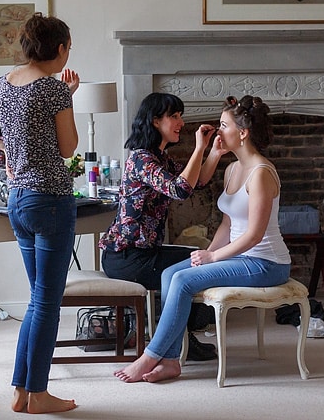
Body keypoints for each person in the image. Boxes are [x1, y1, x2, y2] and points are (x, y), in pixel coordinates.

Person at [0, 12, 80, 414]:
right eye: (67, 50)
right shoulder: (53, 90)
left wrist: (4, 143)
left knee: (37, 299)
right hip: (51, 201)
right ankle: (38, 394)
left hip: (19, 201)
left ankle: (21, 391)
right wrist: (68, 98)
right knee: (47, 300)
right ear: (59, 49)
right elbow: (68, 148)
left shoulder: (3, 85)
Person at [115, 95, 291, 383]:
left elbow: (255, 234)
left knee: (183, 280)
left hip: (266, 262)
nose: (218, 131)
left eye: (224, 125)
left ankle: (151, 355)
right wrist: (205, 256)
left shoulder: (260, 173)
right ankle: (171, 360)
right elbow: (227, 223)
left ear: (243, 133)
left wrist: (212, 258)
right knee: (173, 273)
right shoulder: (234, 168)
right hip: (242, 257)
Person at [98, 92, 224, 361]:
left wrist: (214, 151)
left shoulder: (160, 158)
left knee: (199, 259)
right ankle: (179, 342)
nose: (180, 122)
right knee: (197, 264)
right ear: (156, 121)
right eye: (174, 116)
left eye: (181, 116)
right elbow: (180, 189)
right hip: (126, 258)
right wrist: (199, 149)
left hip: (144, 253)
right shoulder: (142, 159)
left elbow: (196, 182)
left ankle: (181, 338)